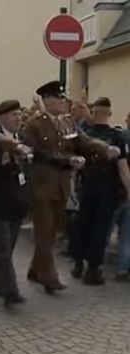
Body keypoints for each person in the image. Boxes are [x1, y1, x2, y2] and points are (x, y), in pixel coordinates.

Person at [22, 81, 119, 294]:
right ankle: (49, 276)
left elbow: (84, 141)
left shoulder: (68, 123)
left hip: (62, 185)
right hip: (42, 184)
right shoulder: (34, 124)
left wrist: (104, 148)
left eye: (64, 98)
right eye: (58, 98)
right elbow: (37, 153)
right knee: (44, 231)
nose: (63, 102)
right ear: (47, 100)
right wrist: (67, 160)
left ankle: (36, 269)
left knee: (54, 229)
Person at [0, 100, 33, 306]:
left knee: (7, 249)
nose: (18, 119)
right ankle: (11, 290)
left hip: (17, 203)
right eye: (13, 115)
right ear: (1, 118)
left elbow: (32, 165)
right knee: (2, 247)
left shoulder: (24, 138)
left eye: (19, 115)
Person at [71, 97, 130, 285]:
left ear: (93, 112)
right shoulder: (117, 136)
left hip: (87, 186)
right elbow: (123, 168)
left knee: (83, 225)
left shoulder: (84, 134)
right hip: (107, 189)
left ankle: (78, 264)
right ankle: (93, 270)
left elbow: (75, 165)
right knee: (99, 228)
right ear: (110, 114)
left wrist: (72, 188)